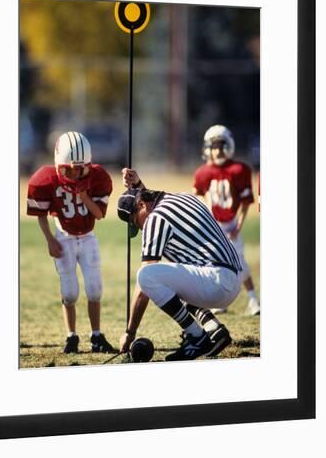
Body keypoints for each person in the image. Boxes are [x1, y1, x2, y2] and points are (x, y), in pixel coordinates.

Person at [117, 185, 243, 360]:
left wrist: (130, 333)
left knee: (146, 276)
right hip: (233, 278)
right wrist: (138, 183)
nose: (140, 228)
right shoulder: (183, 198)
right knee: (174, 273)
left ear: (141, 205)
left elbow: (143, 287)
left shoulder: (155, 219)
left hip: (215, 282)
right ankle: (213, 329)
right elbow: (151, 196)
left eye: (135, 221)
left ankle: (196, 337)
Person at [27, 131, 115, 354]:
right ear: (59, 164)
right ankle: (71, 337)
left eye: (80, 168)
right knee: (70, 292)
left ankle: (96, 336)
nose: (75, 173)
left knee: (94, 290)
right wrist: (49, 240)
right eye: (69, 168)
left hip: (87, 237)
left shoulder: (98, 177)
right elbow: (41, 213)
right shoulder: (45, 179)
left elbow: (99, 214)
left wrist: (84, 195)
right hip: (64, 237)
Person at [193, 125, 260, 316]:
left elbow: (246, 202)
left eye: (222, 146)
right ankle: (220, 301)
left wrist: (238, 226)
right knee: (214, 264)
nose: (218, 150)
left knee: (240, 262)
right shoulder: (202, 172)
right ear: (207, 149)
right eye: (214, 147)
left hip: (231, 224)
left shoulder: (239, 170)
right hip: (213, 225)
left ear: (229, 146)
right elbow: (197, 196)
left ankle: (253, 299)